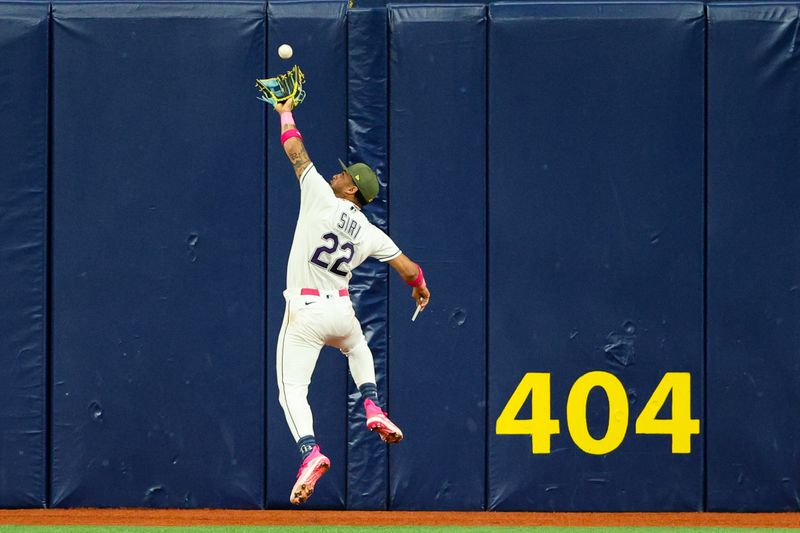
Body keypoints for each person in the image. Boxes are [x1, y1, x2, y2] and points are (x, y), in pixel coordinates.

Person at [272, 97, 431, 505]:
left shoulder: (320, 197)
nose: (337, 172)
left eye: (343, 173)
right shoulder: (369, 231)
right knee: (357, 346)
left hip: (305, 311)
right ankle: (373, 405)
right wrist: (420, 285)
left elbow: (295, 150)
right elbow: (408, 267)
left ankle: (310, 452)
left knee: (291, 390)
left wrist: (285, 112)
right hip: (341, 311)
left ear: (350, 187)